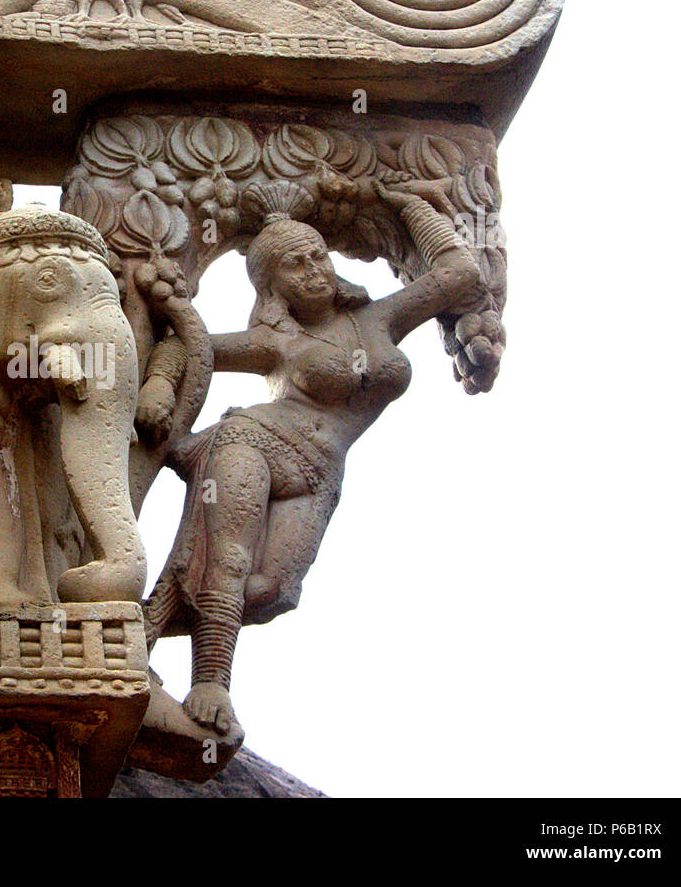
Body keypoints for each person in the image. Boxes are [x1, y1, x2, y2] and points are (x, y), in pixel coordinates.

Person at [144, 179, 487, 734]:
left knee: (273, 592)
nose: (314, 270)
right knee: (228, 561)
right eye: (296, 266)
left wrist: (410, 205)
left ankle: (143, 625)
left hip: (321, 472)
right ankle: (210, 682)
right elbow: (187, 344)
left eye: (317, 257)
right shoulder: (274, 342)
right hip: (253, 440)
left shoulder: (378, 318)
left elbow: (460, 275)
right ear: (272, 288)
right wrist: (160, 388)